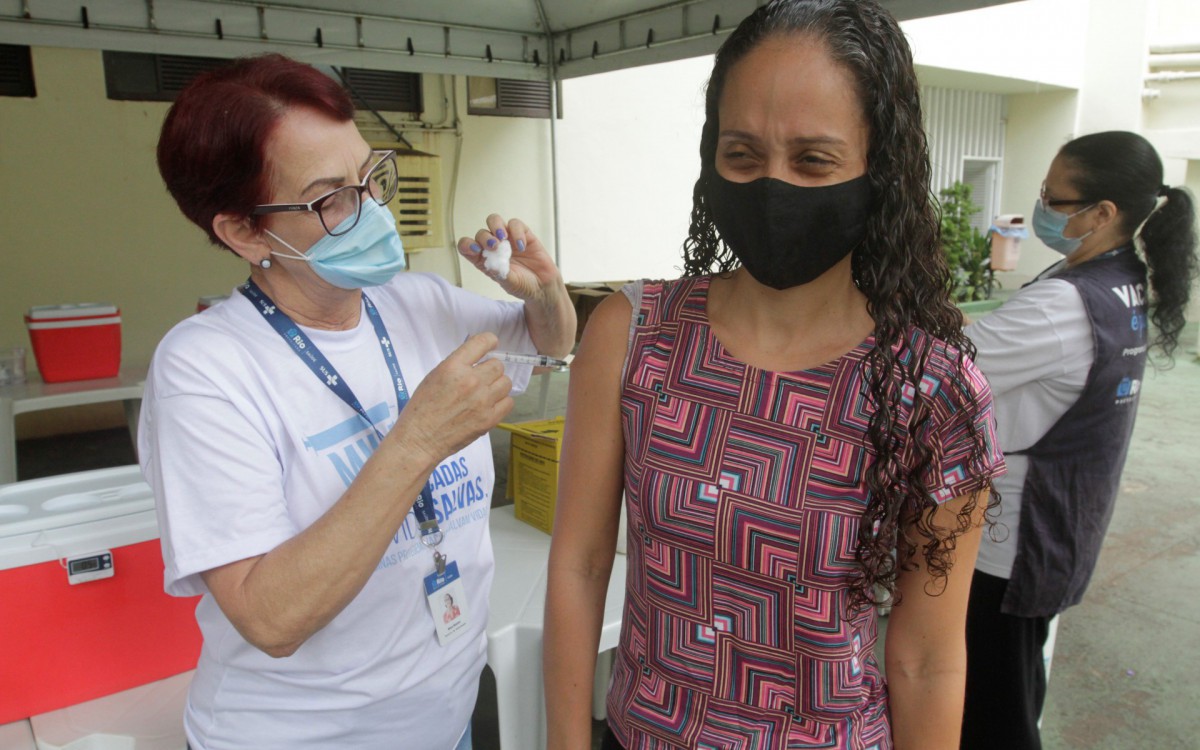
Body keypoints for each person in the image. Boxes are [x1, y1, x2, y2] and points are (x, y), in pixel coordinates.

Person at [543, 1, 1005, 748]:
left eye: (813, 159)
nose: (771, 185)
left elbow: (926, 659)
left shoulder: (933, 391)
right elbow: (580, 564)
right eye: (743, 155)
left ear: (878, 166)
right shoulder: (632, 337)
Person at [140, 53, 575, 750]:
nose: (374, 209)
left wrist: (545, 291)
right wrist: (418, 441)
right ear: (245, 231)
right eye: (330, 197)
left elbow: (547, 340)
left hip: (445, 722)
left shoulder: (417, 301)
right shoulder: (206, 368)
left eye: (371, 176)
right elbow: (270, 619)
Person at [961, 131, 1198, 750]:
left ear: (1102, 214)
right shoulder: (1119, 281)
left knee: (993, 708)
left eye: (1054, 198)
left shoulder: (1065, 305)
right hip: (1066, 521)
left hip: (1013, 541)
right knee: (1014, 684)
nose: (1040, 205)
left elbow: (949, 368)